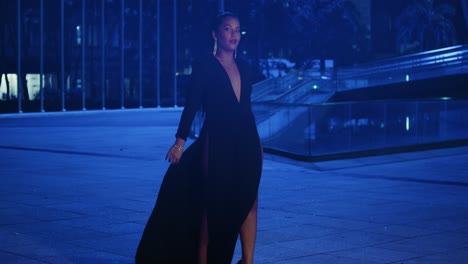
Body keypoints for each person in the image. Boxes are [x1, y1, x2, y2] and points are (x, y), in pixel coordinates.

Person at [135, 12, 263, 264]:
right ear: (215, 34)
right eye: (227, 29)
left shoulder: (246, 68)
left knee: (250, 200)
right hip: (217, 142)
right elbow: (191, 105)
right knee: (210, 206)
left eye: (237, 30)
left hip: (247, 141)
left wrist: (258, 144)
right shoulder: (204, 66)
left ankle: (248, 261)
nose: (234, 34)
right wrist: (180, 142)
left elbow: (246, 108)